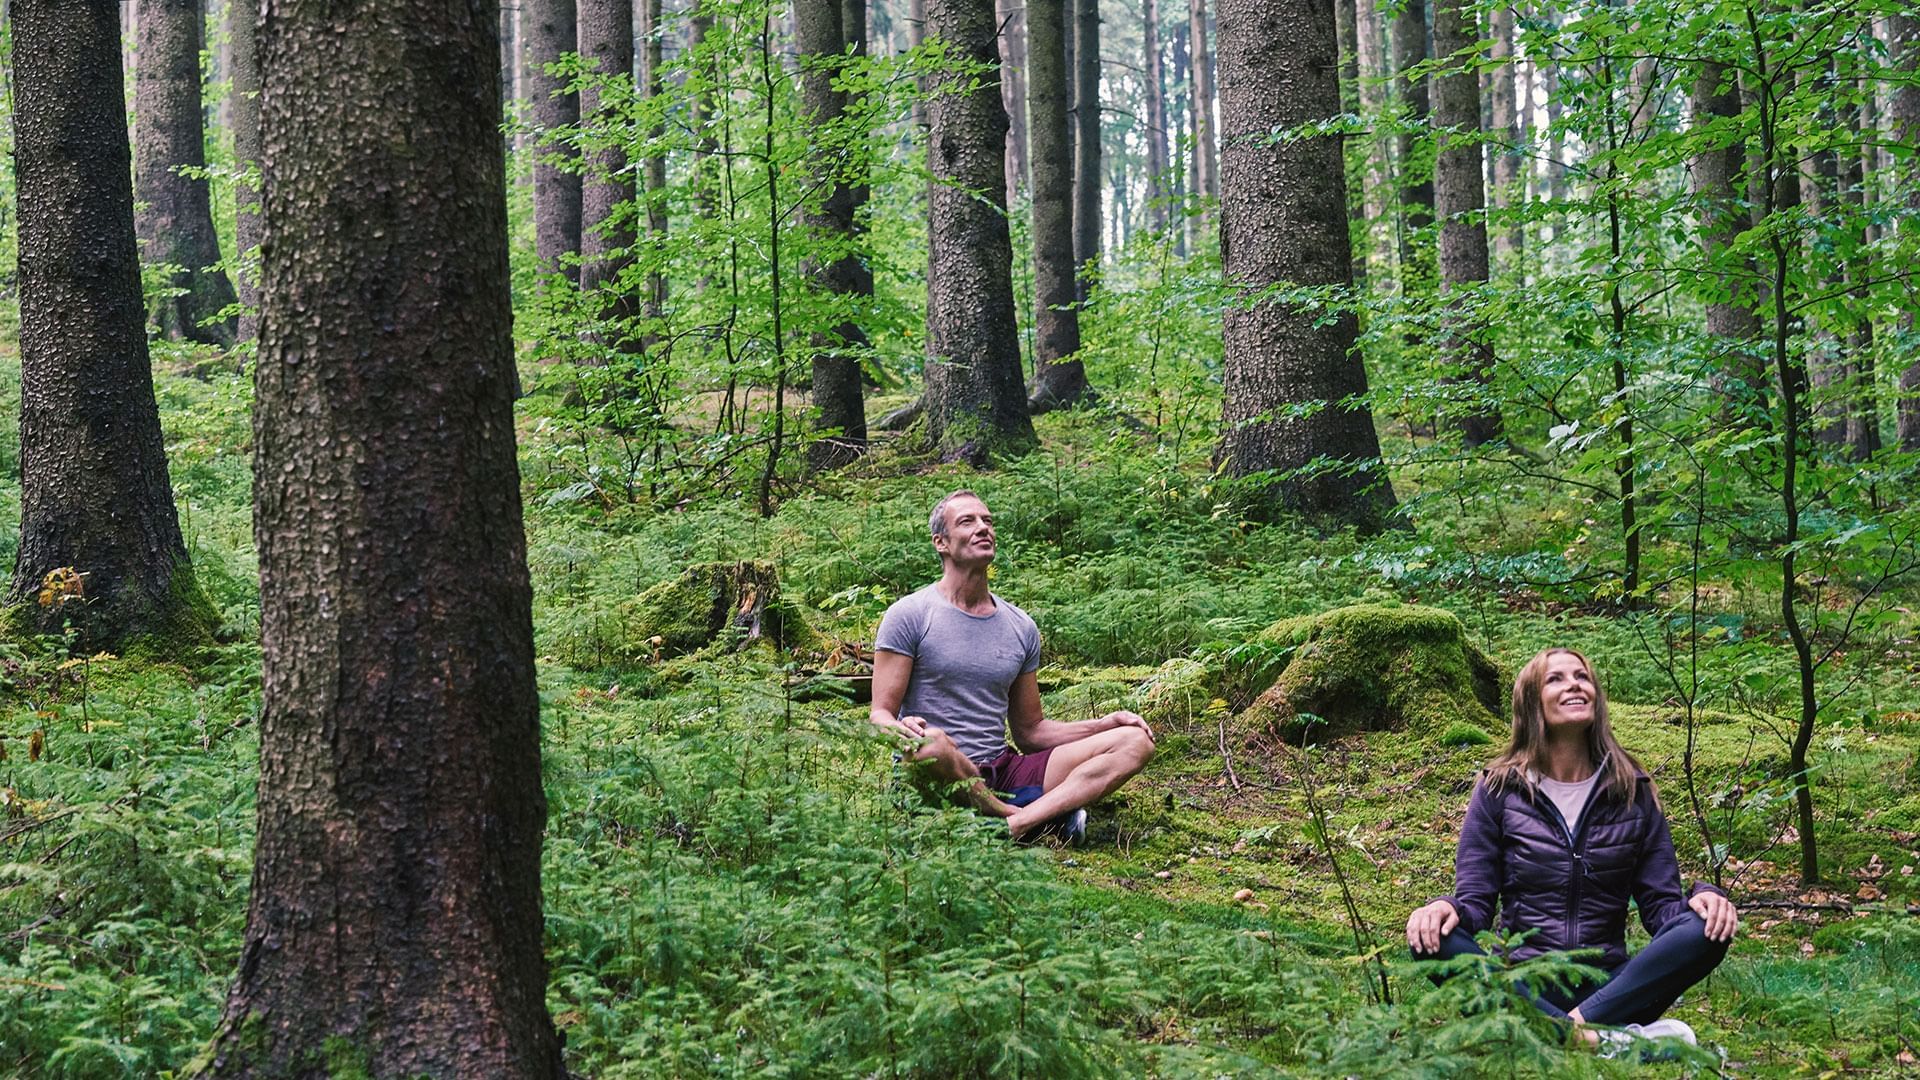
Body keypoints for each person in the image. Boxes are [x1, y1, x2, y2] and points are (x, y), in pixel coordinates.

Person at [1404, 647, 1737, 1051]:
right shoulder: (1497, 789)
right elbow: (1475, 903)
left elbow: (1662, 908)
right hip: (1524, 982)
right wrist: (1445, 907)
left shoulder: (1633, 790)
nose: (1574, 685)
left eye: (1581, 676)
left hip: (1612, 988)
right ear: (1532, 702)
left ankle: (1557, 1036)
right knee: (1434, 937)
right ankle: (1604, 1042)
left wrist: (1706, 898)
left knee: (1706, 930)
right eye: (1555, 678)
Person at [869, 489, 1156, 842]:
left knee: (1134, 741)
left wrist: (1105, 723)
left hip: (1001, 770)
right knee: (931, 743)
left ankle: (1016, 824)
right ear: (941, 542)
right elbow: (880, 715)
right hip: (936, 768)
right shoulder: (909, 615)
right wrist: (906, 730)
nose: (983, 528)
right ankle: (1020, 815)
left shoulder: (1020, 626)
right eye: (967, 521)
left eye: (987, 521)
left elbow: (1031, 732)